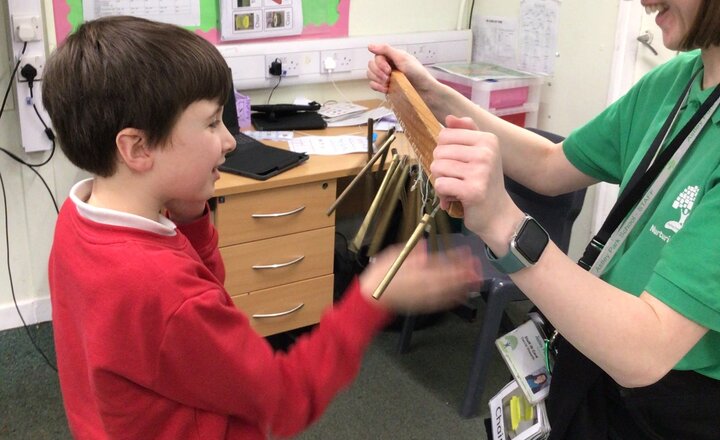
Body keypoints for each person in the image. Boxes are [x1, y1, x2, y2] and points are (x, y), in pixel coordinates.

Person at [42, 16, 481, 440]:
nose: (230, 141)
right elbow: (285, 399)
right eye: (211, 123)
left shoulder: (78, 218)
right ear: (137, 148)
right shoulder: (164, 291)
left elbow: (200, 297)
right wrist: (370, 299)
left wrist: (192, 220)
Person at [368, 0, 720, 439]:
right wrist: (435, 96)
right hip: (595, 353)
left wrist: (505, 225)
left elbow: (646, 352)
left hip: (668, 403)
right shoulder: (676, 83)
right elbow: (550, 165)